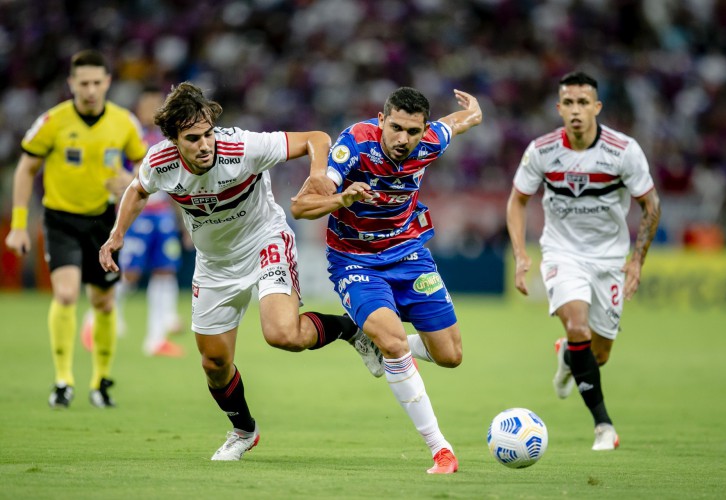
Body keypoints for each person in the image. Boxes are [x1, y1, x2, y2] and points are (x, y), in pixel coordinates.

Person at [98, 82, 383, 461]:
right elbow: (137, 189)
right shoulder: (159, 161)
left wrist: (317, 172)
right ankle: (244, 430)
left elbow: (316, 137)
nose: (205, 144)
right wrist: (117, 235)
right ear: (174, 141)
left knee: (283, 333)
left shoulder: (242, 147)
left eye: (208, 133)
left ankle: (351, 330)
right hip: (215, 264)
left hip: (264, 241)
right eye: (193, 138)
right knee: (214, 363)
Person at [290, 87, 482, 474]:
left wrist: (475, 112)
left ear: (423, 130)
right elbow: (300, 206)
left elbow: (456, 123)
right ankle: (440, 449)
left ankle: (369, 339)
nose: (403, 139)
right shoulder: (353, 147)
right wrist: (340, 198)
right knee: (394, 342)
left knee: (450, 356)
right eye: (395, 127)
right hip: (355, 261)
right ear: (381, 120)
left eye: (412, 131)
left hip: (410, 256)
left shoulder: (430, 142)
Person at [506, 71, 661, 451]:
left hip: (609, 259)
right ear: (559, 109)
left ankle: (567, 356)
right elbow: (517, 200)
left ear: (597, 107)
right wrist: (522, 254)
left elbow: (651, 205)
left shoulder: (622, 150)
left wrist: (637, 261)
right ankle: (603, 427)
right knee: (578, 326)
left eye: (583, 103)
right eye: (569, 103)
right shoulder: (541, 150)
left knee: (599, 354)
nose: (576, 111)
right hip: (562, 253)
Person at [4, 49, 148, 409]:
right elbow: (25, 169)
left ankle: (100, 382)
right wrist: (19, 225)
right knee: (66, 294)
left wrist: (131, 178)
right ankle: (63, 380)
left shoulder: (124, 123)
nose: (90, 90)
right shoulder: (52, 121)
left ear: (107, 83)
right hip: (60, 219)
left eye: (97, 82)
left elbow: (149, 166)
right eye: (83, 83)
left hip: (104, 221)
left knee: (102, 302)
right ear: (71, 84)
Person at [82, 86, 188, 357]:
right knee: (129, 272)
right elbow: (113, 174)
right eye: (149, 104)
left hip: (162, 214)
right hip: (137, 215)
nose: (154, 110)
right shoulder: (130, 138)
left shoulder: (170, 141)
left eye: (158, 104)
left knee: (165, 271)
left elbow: (177, 183)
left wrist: (184, 221)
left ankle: (156, 339)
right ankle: (94, 321)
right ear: (139, 109)